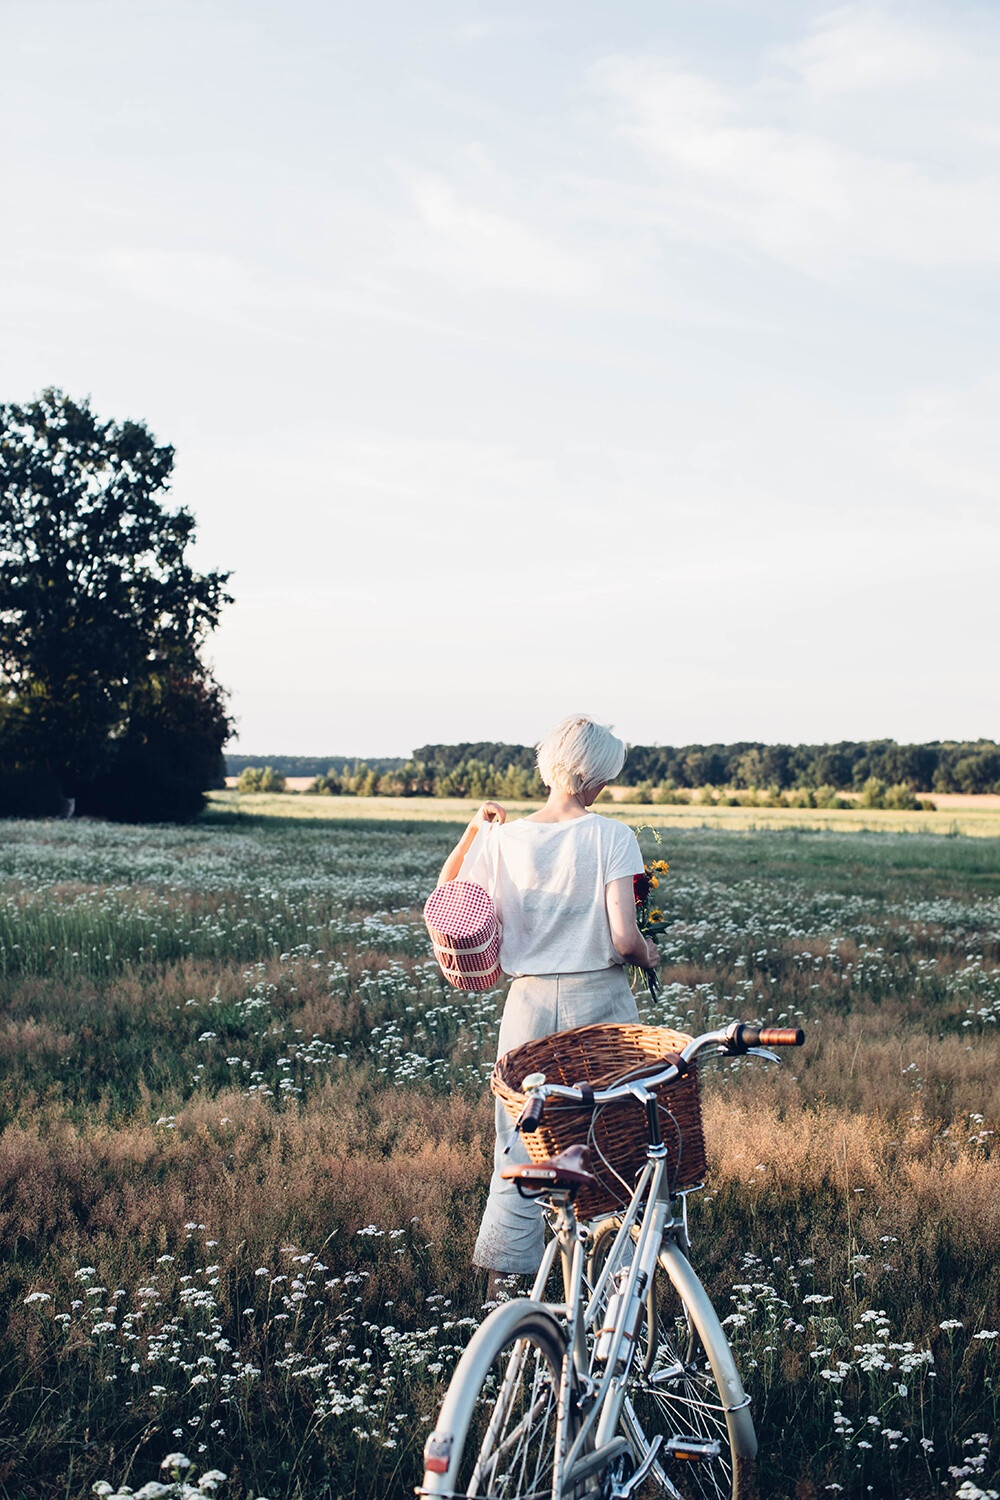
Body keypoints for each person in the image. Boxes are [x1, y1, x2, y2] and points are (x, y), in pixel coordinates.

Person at [436, 714, 659, 1294]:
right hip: (600, 1004)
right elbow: (624, 939)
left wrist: (474, 831)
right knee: (611, 1136)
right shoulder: (613, 836)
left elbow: (449, 896)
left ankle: (507, 1286)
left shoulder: (506, 839)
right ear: (599, 778)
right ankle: (607, 1285)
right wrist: (650, 956)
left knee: (522, 1138)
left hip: (528, 1006)